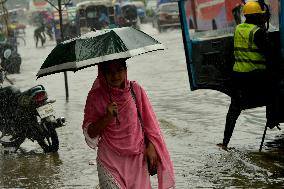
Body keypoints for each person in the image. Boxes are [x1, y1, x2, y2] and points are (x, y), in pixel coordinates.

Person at [82, 59, 175, 188]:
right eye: (110, 72)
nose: (115, 76)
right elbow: (90, 132)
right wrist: (107, 117)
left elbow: (150, 124)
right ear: (102, 74)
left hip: (138, 160)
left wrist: (151, 146)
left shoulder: (135, 90)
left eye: (119, 70)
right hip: (110, 162)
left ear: (126, 70)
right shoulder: (95, 97)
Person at [218, 1, 279, 149]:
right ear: (257, 16)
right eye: (261, 15)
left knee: (234, 109)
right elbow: (272, 55)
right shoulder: (257, 33)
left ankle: (225, 143)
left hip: (239, 77)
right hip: (256, 77)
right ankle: (272, 120)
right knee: (276, 92)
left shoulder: (239, 29)